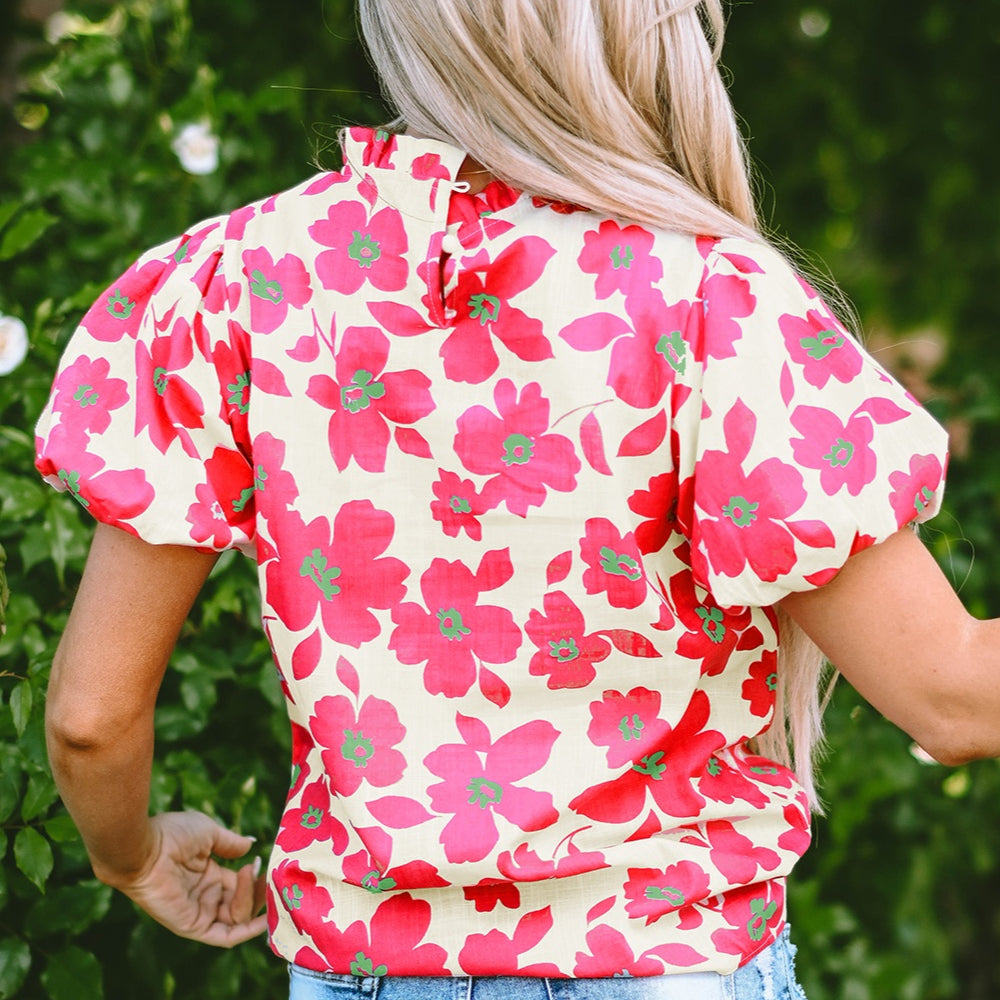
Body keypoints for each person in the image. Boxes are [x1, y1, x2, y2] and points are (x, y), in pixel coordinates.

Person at [33, 1, 986, 998]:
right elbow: (952, 694)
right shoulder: (711, 305)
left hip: (361, 967)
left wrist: (130, 853)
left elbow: (91, 717)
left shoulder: (235, 283)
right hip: (664, 961)